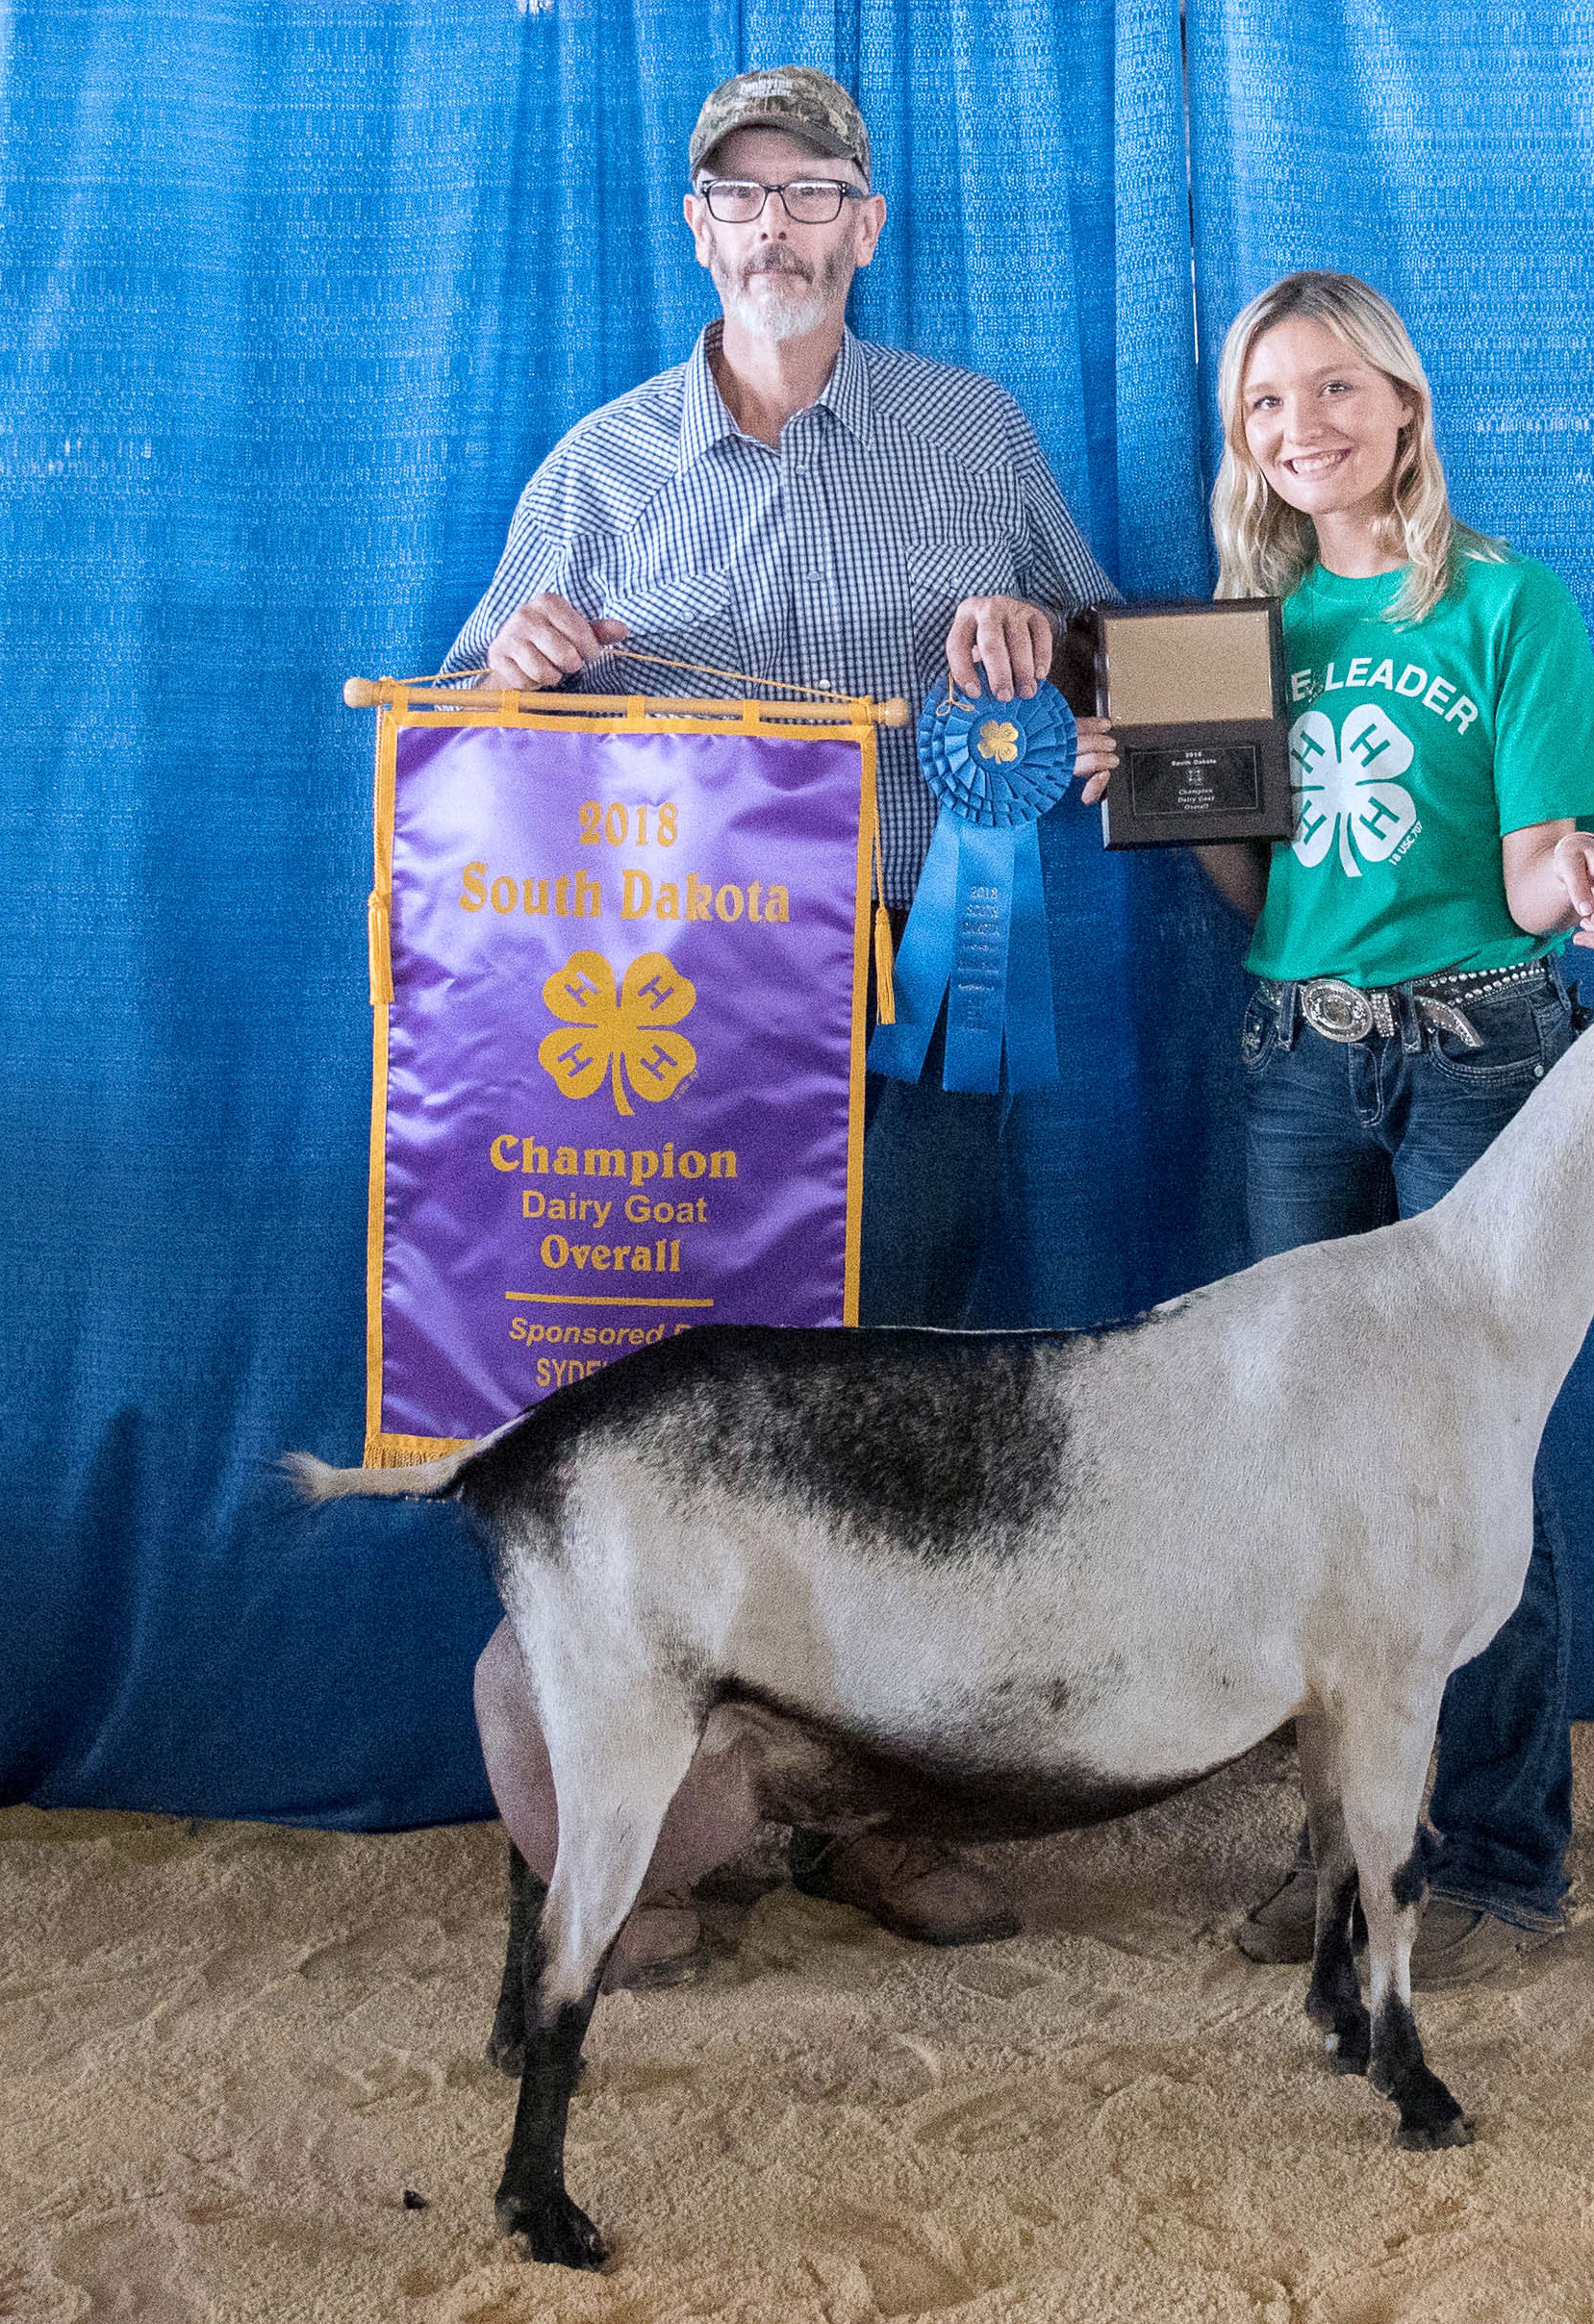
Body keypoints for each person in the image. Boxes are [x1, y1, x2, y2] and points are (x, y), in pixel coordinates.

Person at [450, 65, 1119, 1953]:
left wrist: (1028, 645)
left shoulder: (969, 434)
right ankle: (637, 1824)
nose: (776, 226)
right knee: (664, 1429)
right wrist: (510, 666)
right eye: (739, 197)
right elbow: (458, 763)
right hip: (658, 1037)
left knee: (899, 1425)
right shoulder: (596, 465)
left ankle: (878, 1817)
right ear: (697, 229)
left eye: (812, 191)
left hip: (923, 1007)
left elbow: (1101, 653)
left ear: (864, 225)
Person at [1098, 269, 1594, 1985]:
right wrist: (1164, 798)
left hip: (1483, 1054)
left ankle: (1489, 1854)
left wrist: (1585, 889)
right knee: (1303, 1470)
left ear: (1403, 404)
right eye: (1266, 405)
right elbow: (1263, 885)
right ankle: (1347, 1848)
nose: (1300, 429)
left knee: (1475, 1474)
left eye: (1334, 392)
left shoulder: (1504, 604)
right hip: (1295, 1060)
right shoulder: (1240, 637)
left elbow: (1535, 858)